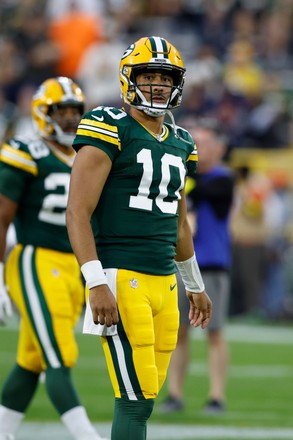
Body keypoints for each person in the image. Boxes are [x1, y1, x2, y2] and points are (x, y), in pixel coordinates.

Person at [66, 36, 212, 440]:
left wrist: (194, 284)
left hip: (165, 282)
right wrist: (95, 281)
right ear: (129, 79)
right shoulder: (110, 126)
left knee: (145, 396)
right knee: (132, 399)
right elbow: (77, 211)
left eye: (165, 78)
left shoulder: (183, 142)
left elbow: (179, 223)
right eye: (148, 76)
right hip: (120, 275)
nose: (158, 85)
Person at [0, 76, 106, 440]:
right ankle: (87, 436)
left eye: (74, 112)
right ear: (44, 113)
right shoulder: (25, 151)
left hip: (71, 266)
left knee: (31, 359)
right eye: (61, 112)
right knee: (60, 354)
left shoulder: (85, 155)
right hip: (35, 260)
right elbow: (1, 218)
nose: (69, 119)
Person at [159, 118, 234, 415]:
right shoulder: (184, 176)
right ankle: (175, 393)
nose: (198, 149)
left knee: (214, 332)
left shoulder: (220, 178)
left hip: (211, 264)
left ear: (219, 148)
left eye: (204, 143)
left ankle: (217, 395)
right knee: (177, 331)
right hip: (179, 264)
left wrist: (178, 168)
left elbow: (205, 193)